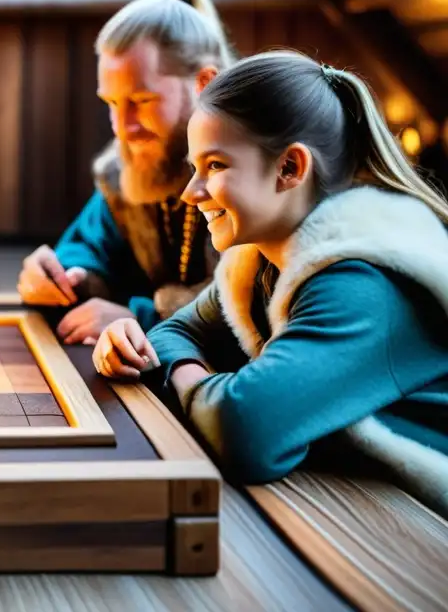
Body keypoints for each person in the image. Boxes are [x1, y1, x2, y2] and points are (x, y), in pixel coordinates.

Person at [92, 51, 448, 517]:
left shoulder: (362, 286)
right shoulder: (259, 262)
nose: (190, 191)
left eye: (215, 166)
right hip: (348, 503)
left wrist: (186, 374)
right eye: (195, 167)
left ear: (289, 169)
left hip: (417, 532)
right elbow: (174, 333)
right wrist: (147, 351)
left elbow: (243, 430)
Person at [17, 0, 235, 344]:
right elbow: (87, 246)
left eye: (142, 101)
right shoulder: (128, 169)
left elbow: (254, 304)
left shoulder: (251, 173)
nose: (122, 128)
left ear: (205, 84)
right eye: (113, 103)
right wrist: (62, 277)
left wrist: (140, 317)